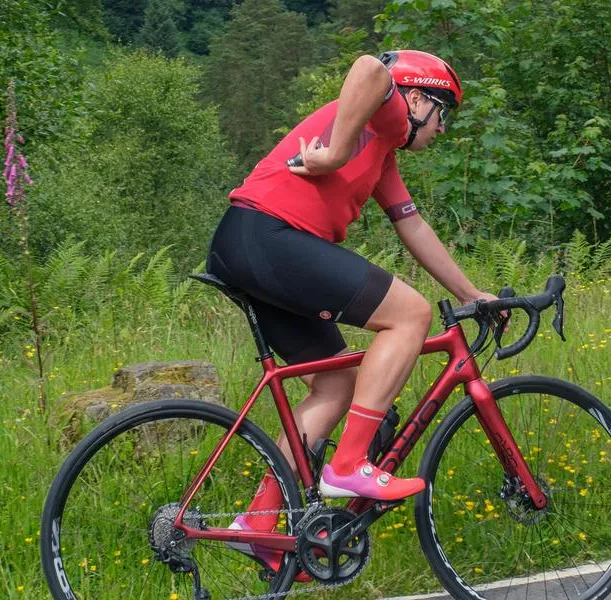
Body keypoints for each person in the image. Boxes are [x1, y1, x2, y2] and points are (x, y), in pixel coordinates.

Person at [206, 50, 500, 575]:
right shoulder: (383, 115)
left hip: (247, 244)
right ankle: (348, 465)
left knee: (336, 385)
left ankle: (257, 521)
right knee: (409, 315)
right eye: (443, 113)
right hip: (269, 236)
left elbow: (413, 227)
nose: (442, 129)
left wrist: (473, 293)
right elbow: (369, 67)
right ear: (415, 99)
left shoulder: (383, 152)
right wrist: (336, 154)